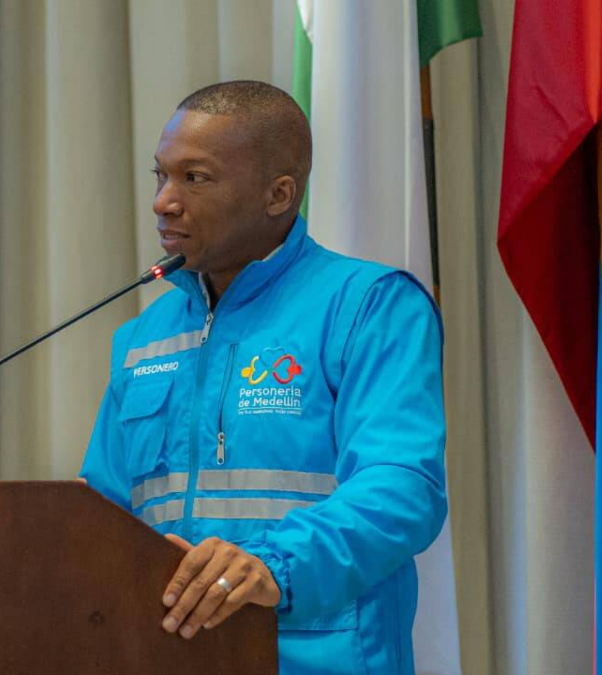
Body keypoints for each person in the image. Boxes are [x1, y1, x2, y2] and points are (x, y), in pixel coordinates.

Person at [79, 81, 446, 674]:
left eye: (194, 178)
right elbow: (101, 516)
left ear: (278, 195)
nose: (163, 202)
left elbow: (402, 491)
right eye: (161, 176)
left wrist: (273, 565)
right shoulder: (144, 336)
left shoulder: (369, 305)